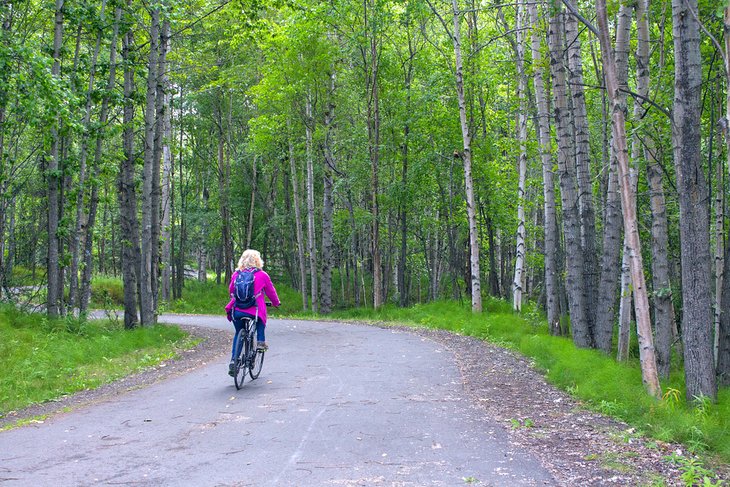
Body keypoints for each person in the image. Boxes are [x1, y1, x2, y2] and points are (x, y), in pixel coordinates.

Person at [225, 249, 280, 376]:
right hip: (254, 310)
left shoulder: (236, 274)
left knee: (239, 332)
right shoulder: (262, 275)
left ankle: (234, 361)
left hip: (237, 310)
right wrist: (276, 303)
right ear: (257, 260)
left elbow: (231, 290)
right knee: (261, 319)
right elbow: (271, 291)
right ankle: (260, 342)